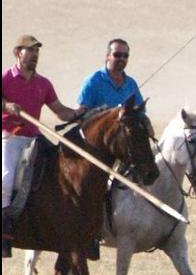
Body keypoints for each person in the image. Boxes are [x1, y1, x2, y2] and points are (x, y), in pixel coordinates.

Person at [2, 35, 82, 258]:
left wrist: (77, 114)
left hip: (34, 139)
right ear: (18, 52)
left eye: (37, 51)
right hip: (9, 137)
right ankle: (4, 228)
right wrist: (6, 105)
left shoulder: (43, 83)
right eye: (31, 51)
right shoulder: (6, 78)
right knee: (6, 179)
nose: (35, 55)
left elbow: (60, 110)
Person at [78, 38, 142, 110]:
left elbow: (140, 110)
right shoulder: (93, 81)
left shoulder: (131, 84)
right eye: (117, 55)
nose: (122, 58)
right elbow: (80, 113)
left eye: (125, 56)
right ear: (107, 56)